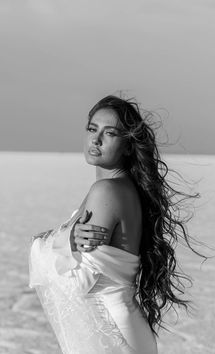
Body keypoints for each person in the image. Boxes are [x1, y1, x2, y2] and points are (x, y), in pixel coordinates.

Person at [28, 95, 203, 354]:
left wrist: (43, 244)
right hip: (120, 329)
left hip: (111, 334)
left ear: (129, 146)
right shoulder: (117, 188)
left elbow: (77, 284)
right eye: (92, 128)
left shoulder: (106, 191)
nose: (96, 139)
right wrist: (65, 240)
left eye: (109, 133)